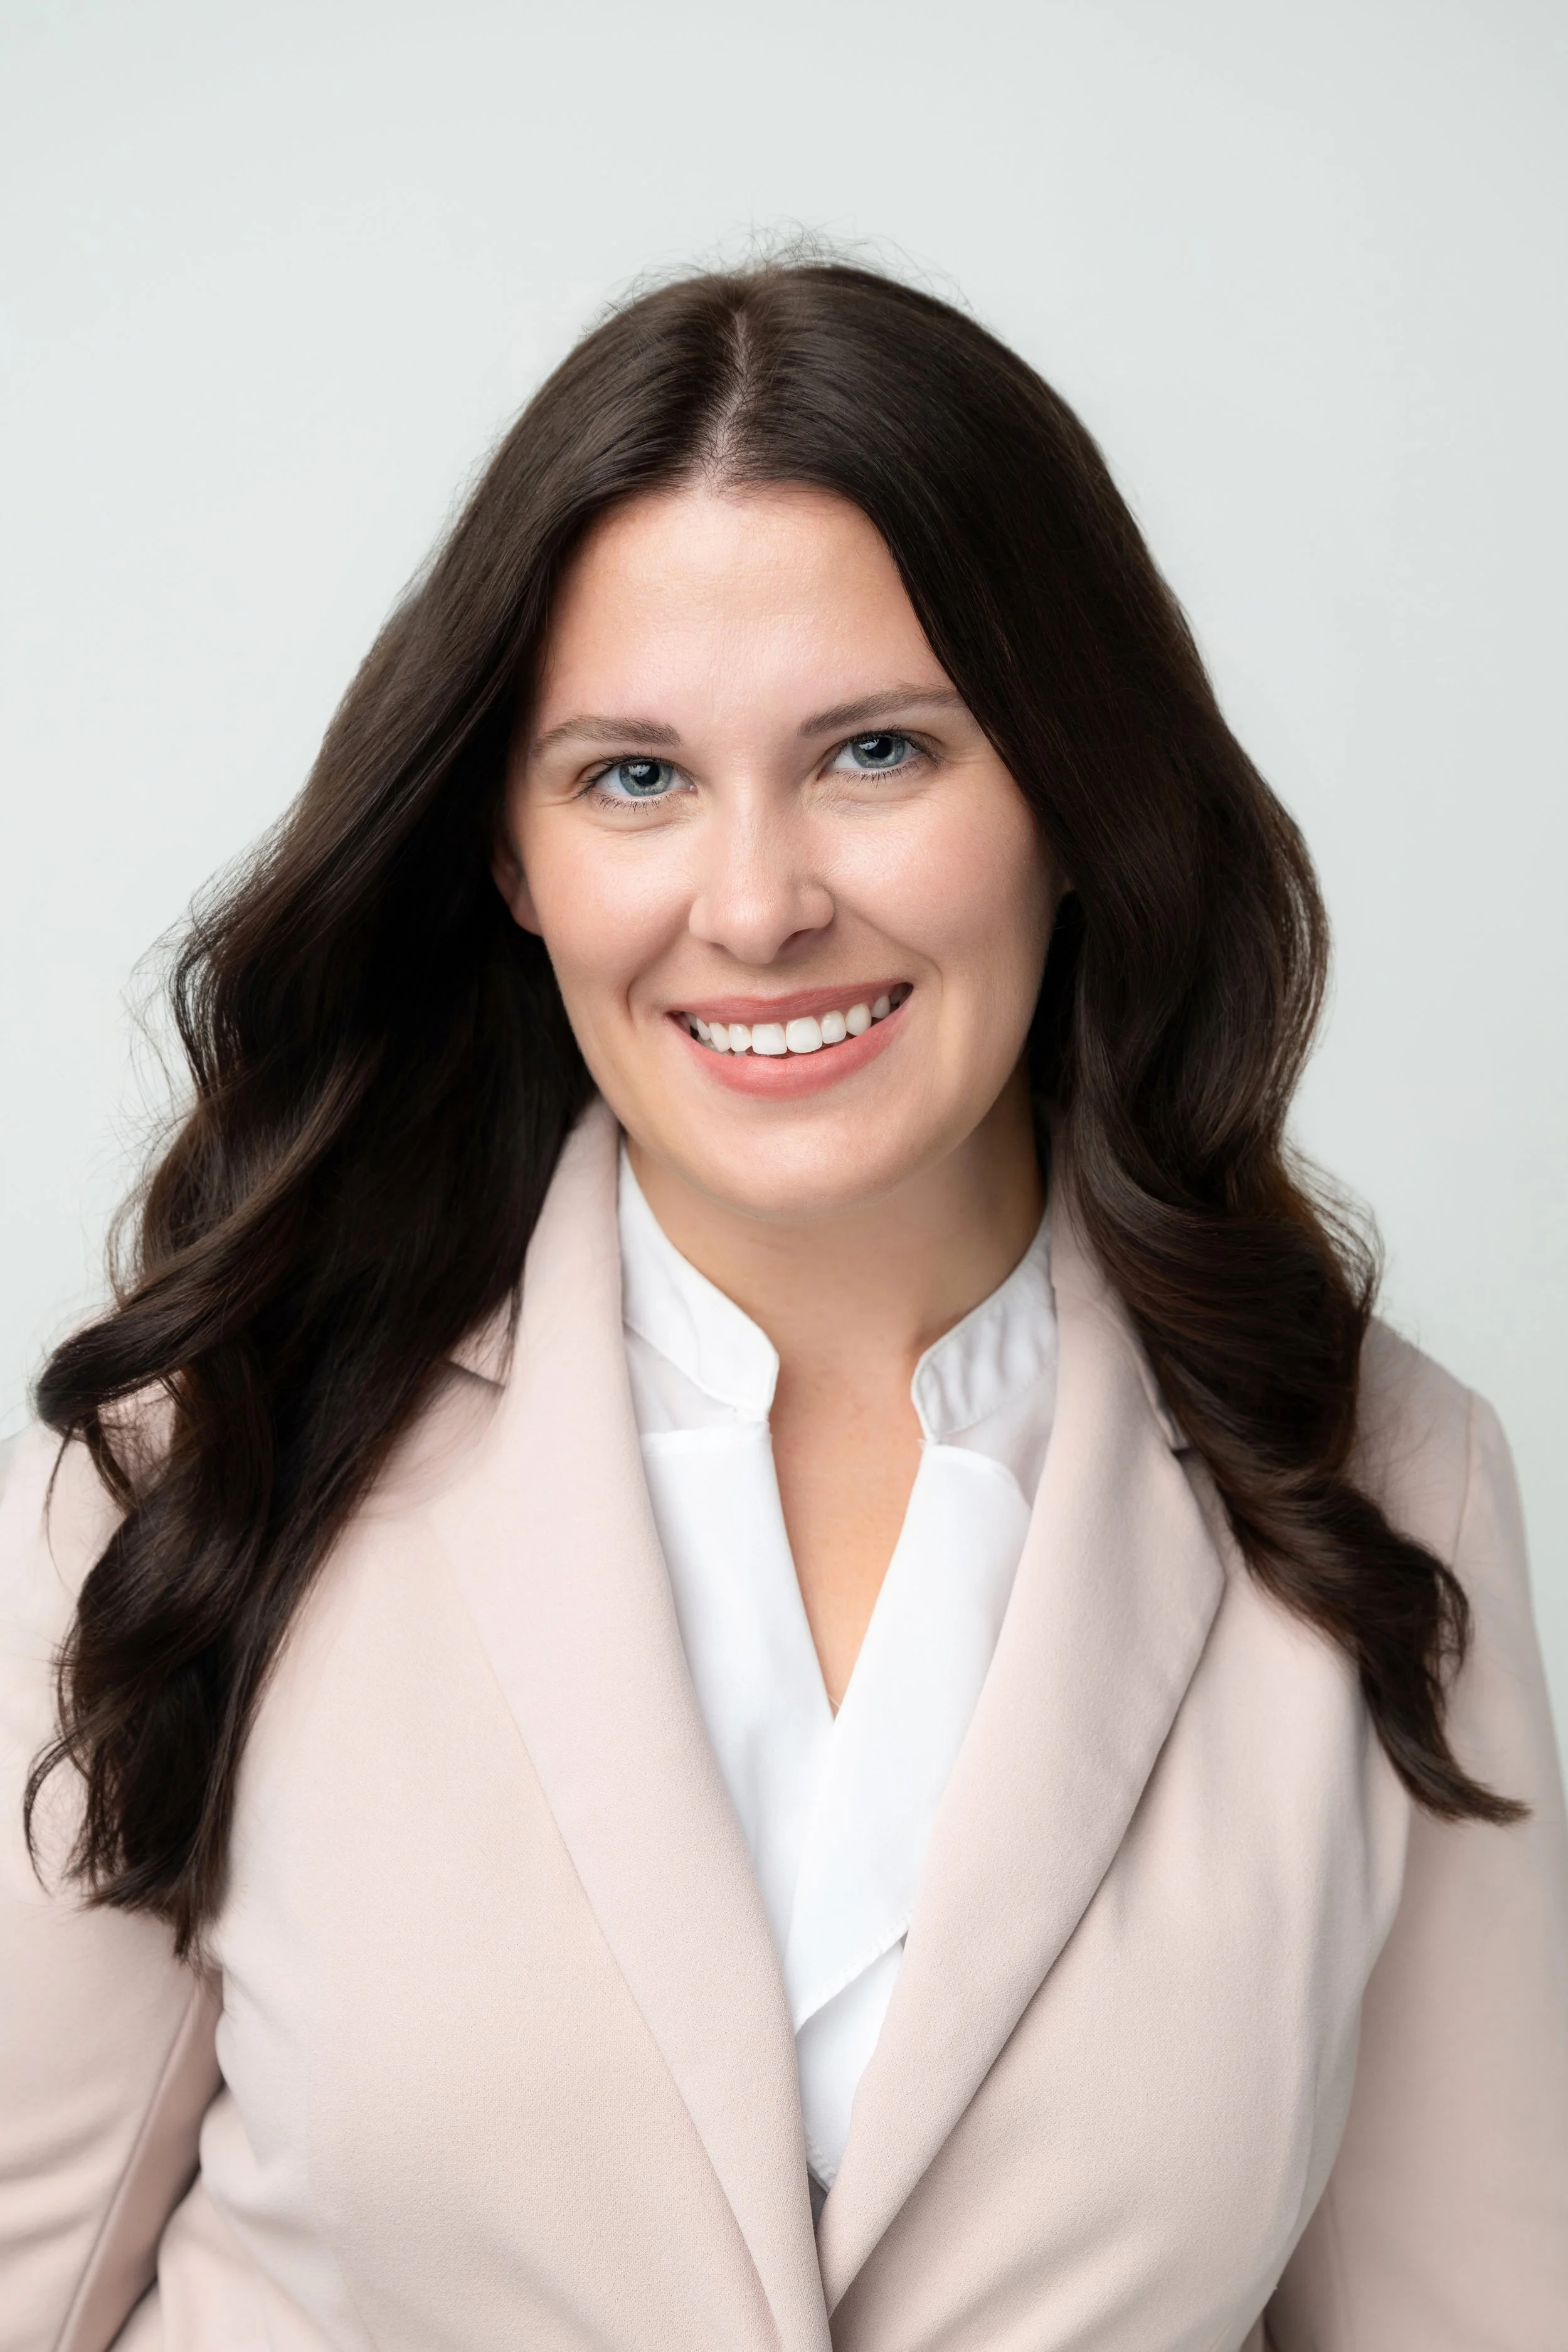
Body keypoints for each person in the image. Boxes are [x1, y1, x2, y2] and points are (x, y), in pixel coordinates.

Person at [2, 258, 1564, 2352]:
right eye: (631, 777)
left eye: (876, 751)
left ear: (1072, 798)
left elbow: (1471, 2313)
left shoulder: (1385, 1480)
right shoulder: (220, 1452)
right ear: (508, 851)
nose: (754, 906)